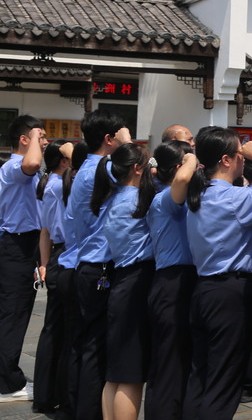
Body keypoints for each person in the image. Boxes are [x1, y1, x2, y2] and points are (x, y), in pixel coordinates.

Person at [183, 127, 252, 420]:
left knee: (201, 375)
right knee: (225, 381)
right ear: (225, 160)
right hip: (232, 295)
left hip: (204, 290)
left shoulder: (196, 195)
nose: (243, 161)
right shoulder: (238, 200)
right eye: (240, 155)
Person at [63, 109, 130, 420]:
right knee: (95, 348)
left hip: (85, 265)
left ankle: (78, 407)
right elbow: (139, 168)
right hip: (101, 267)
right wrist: (129, 143)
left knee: (84, 344)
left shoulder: (84, 169)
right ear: (109, 139)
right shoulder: (104, 170)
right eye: (120, 135)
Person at [140, 141, 198, 420]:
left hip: (176, 281)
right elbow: (185, 177)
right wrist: (192, 158)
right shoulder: (166, 198)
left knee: (175, 362)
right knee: (169, 365)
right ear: (177, 168)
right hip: (173, 282)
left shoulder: (167, 196)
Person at [98, 143, 155, 420]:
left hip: (121, 281)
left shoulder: (113, 199)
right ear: (136, 168)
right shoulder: (141, 202)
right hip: (138, 282)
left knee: (115, 373)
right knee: (131, 376)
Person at [0, 115, 46, 403]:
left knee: (13, 311)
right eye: (39, 136)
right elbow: (30, 163)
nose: (44, 142)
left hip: (22, 245)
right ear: (24, 140)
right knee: (13, 313)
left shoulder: (19, 168)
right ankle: (7, 383)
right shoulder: (17, 165)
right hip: (16, 245)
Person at [32, 139, 74, 414]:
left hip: (57, 256)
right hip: (69, 254)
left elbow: (45, 230)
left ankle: (45, 395)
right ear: (63, 160)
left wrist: (45, 264)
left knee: (51, 330)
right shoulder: (62, 186)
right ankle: (63, 396)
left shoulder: (49, 185)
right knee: (68, 331)